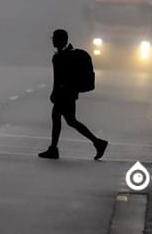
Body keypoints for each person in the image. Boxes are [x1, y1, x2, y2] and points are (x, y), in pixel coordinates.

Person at [38, 29, 108, 160]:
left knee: (59, 118)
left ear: (60, 40)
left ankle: (54, 149)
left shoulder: (59, 57)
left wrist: (54, 93)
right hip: (69, 94)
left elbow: (58, 79)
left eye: (54, 38)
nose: (52, 40)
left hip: (64, 95)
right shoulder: (68, 55)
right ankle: (98, 143)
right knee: (71, 121)